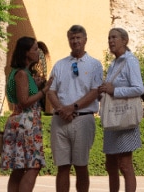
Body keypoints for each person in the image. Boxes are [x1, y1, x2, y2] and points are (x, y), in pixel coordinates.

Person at [46, 25, 103, 192]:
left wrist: (73, 107)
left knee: (81, 165)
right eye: (72, 38)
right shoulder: (59, 65)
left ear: (85, 39)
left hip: (83, 119)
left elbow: (95, 91)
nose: (75, 41)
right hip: (60, 120)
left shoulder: (95, 65)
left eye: (78, 37)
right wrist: (61, 109)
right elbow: (51, 90)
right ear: (68, 40)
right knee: (62, 166)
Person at [0, 36, 53, 192]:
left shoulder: (18, 72)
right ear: (26, 52)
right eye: (35, 49)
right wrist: (44, 90)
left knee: (19, 167)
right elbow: (24, 101)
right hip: (26, 123)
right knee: (33, 166)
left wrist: (36, 85)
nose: (38, 53)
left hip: (19, 122)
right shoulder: (22, 74)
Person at [98, 27, 144, 192]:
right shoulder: (113, 64)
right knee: (110, 165)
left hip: (125, 119)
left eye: (114, 38)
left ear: (125, 40)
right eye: (109, 38)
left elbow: (139, 89)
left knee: (125, 165)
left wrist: (114, 91)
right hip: (112, 120)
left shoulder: (131, 61)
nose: (110, 41)